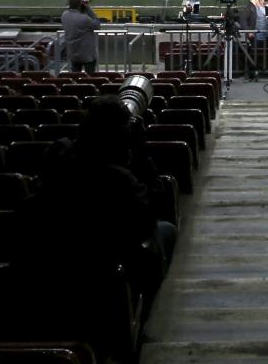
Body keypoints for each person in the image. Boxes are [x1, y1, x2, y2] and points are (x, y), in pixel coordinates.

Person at [20, 95, 176, 299]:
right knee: (166, 231)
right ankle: (138, 311)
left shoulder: (60, 157)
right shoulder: (121, 180)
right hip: (107, 262)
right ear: (122, 134)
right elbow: (151, 210)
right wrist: (141, 151)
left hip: (49, 255)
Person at [60, 0, 103, 72]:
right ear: (80, 4)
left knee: (75, 77)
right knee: (90, 78)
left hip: (73, 52)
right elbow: (97, 25)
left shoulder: (64, 15)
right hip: (87, 54)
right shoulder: (84, 18)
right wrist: (88, 9)